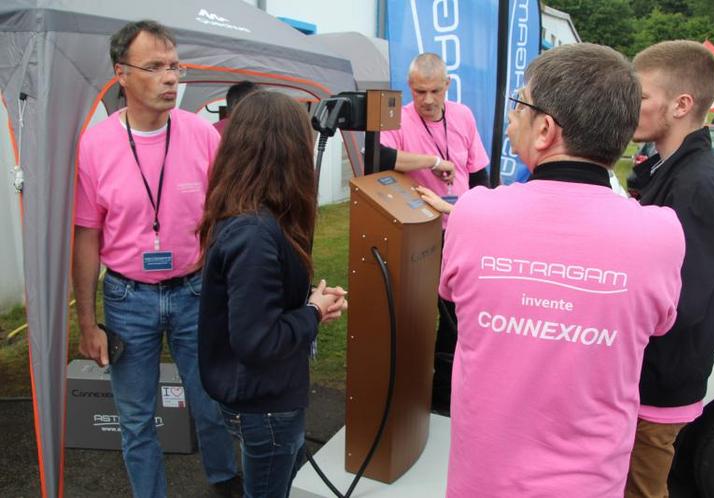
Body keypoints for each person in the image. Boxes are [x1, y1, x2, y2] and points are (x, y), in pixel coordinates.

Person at [439, 43, 686, 497]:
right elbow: (660, 324)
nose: (512, 118)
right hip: (591, 484)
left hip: (482, 482)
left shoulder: (474, 214)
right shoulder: (660, 234)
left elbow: (453, 296)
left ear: (545, 130)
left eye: (519, 105)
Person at [73, 20, 240, 498]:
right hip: (127, 299)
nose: (171, 78)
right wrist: (88, 323)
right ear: (121, 74)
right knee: (136, 417)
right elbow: (87, 235)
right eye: (156, 67)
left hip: (195, 289)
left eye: (175, 66)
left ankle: (224, 481)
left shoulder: (203, 137)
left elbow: (226, 219)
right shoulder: (95, 146)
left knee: (210, 401)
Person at [197, 91, 348, 498]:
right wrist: (313, 313)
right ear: (287, 150)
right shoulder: (254, 234)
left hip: (266, 398)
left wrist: (308, 307)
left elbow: (257, 311)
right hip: (264, 405)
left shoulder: (256, 219)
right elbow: (257, 340)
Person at [625, 40, 714, 498]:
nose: (632, 106)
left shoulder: (695, 184)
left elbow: (682, 303)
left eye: (642, 96)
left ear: (681, 104)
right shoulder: (671, 169)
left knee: (643, 489)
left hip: (660, 380)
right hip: (652, 375)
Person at [380, 52, 490, 412]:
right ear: (409, 87)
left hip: (457, 230)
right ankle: (406, 395)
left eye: (434, 91)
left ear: (447, 86)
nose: (427, 100)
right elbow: (382, 158)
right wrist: (432, 161)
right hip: (415, 232)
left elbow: (479, 173)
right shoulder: (399, 118)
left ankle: (443, 397)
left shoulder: (463, 115)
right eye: (419, 91)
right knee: (413, 313)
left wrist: (480, 218)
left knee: (455, 315)